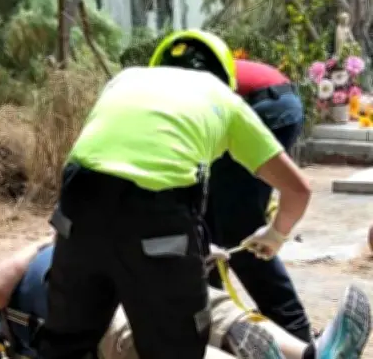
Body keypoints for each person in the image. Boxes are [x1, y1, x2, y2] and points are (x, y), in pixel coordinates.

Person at [36, 29, 313, 359]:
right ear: (225, 75)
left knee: (67, 343)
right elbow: (298, 189)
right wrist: (275, 234)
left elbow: (103, 170)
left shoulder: (125, 79)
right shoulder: (224, 99)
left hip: (78, 207)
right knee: (176, 348)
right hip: (157, 215)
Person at [0, 237, 372, 359]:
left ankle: (310, 355)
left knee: (208, 305)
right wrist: (42, 243)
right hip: (87, 316)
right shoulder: (31, 272)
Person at [205, 58, 311, 341]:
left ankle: (297, 337)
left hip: (261, 107)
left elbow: (299, 190)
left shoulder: (166, 91)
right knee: (207, 228)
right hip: (277, 101)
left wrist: (276, 233)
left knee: (239, 231)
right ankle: (211, 321)